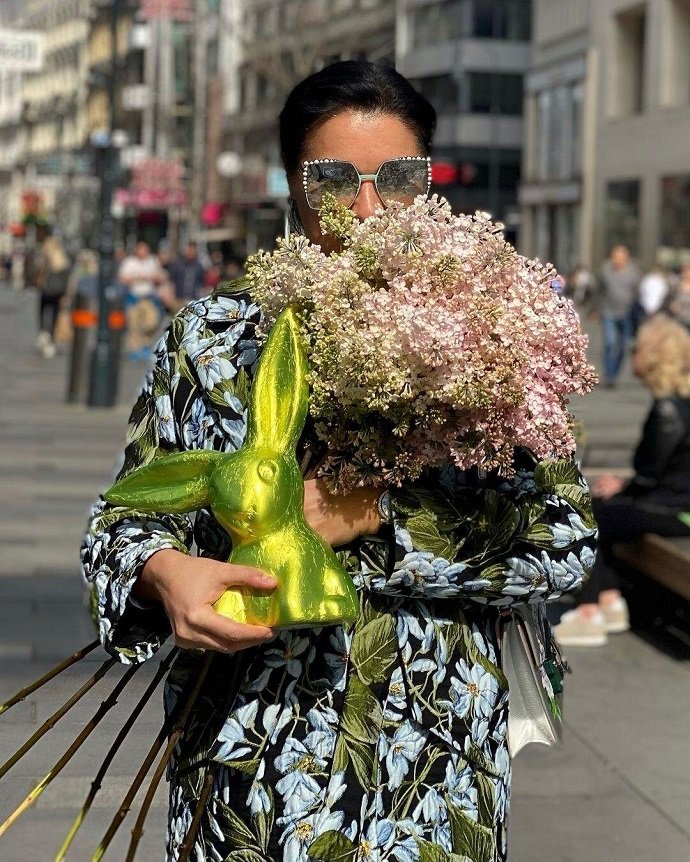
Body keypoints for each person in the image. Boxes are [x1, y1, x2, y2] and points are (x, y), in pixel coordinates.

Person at [81, 61, 596, 862]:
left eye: (397, 177)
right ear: (291, 185)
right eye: (331, 178)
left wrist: (378, 519)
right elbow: (126, 516)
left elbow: (564, 539)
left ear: (428, 182)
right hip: (247, 773)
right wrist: (160, 572)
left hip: (431, 777)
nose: (363, 207)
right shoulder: (214, 340)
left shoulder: (490, 339)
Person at [555, 314, 690, 647]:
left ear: (655, 356)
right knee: (604, 507)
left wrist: (623, 486)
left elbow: (648, 473)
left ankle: (589, 613)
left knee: (586, 514)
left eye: (637, 349)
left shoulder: (667, 410)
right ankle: (610, 599)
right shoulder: (680, 401)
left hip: (671, 510)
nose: (633, 356)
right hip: (674, 506)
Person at [598, 244, 641, 387]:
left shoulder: (634, 272)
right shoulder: (605, 269)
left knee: (623, 346)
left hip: (626, 313)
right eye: (614, 256)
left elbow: (637, 293)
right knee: (610, 343)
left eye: (619, 256)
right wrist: (595, 309)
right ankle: (609, 374)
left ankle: (614, 372)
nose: (616, 259)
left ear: (626, 258)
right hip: (608, 312)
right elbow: (599, 290)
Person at [118, 240, 166, 360]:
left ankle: (144, 344)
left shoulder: (152, 261)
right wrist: (137, 277)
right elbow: (122, 278)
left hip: (148, 298)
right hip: (133, 297)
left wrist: (152, 277)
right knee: (133, 325)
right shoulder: (129, 262)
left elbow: (161, 276)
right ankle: (134, 350)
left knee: (152, 321)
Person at [33, 225, 71, 358]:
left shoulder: (47, 259)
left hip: (47, 291)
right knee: (54, 317)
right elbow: (68, 279)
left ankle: (45, 336)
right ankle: (51, 340)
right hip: (57, 292)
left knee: (43, 315)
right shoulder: (63, 261)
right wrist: (66, 294)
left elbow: (39, 273)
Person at [167, 240, 206, 308]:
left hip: (194, 299)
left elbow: (202, 284)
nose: (190, 252)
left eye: (193, 250)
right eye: (189, 249)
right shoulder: (177, 265)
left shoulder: (199, 266)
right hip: (179, 299)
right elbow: (171, 281)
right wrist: (171, 297)